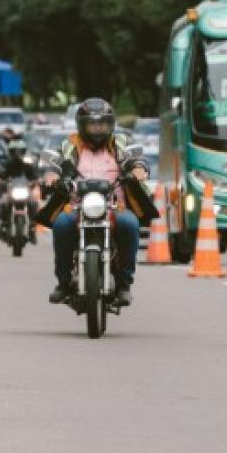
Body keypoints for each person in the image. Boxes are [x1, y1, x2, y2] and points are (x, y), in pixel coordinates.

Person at [48, 98, 147, 307]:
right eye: (92, 124)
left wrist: (138, 170)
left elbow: (137, 159)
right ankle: (63, 282)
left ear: (110, 124)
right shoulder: (70, 145)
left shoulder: (121, 143)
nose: (97, 129)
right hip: (77, 205)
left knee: (130, 224)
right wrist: (52, 175)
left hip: (114, 205)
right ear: (82, 125)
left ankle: (124, 284)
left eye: (102, 124)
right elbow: (55, 163)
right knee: (61, 224)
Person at [0, 136, 40, 242]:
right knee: (2, 203)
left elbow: (34, 175)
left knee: (34, 204)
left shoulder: (28, 163)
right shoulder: (7, 163)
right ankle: (3, 225)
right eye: (15, 151)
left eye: (20, 151)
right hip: (10, 190)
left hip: (25, 190)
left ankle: (32, 227)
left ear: (24, 151)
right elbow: (0, 172)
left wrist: (38, 180)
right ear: (11, 151)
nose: (17, 153)